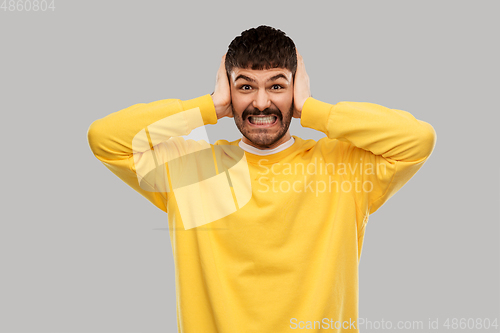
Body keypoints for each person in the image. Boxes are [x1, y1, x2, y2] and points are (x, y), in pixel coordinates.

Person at [87, 25, 436, 333]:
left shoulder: (340, 166)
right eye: (245, 86)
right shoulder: (191, 169)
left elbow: (416, 141)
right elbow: (105, 139)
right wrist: (209, 106)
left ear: (296, 89)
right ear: (229, 92)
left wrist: (311, 109)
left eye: (277, 85)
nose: (261, 102)